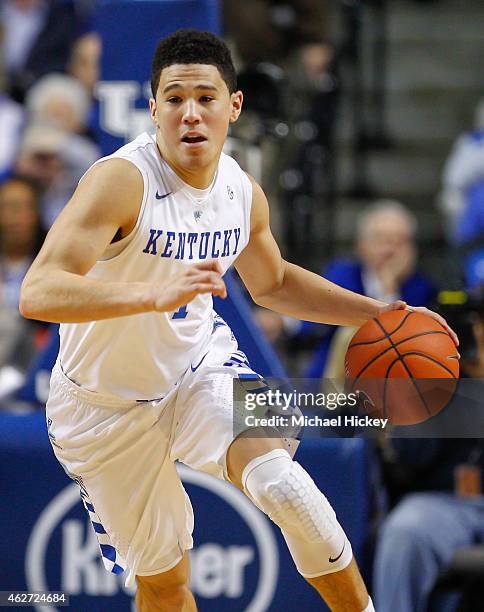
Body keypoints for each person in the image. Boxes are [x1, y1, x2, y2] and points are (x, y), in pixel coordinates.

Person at [20, 29, 457, 611]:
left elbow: (273, 282)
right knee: (166, 588)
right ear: (153, 109)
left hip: (201, 365)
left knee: (285, 484)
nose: (191, 113)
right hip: (102, 406)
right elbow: (38, 292)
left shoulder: (241, 192)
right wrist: (148, 296)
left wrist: (380, 312)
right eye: (174, 99)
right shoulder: (120, 182)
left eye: (205, 97)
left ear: (234, 106)